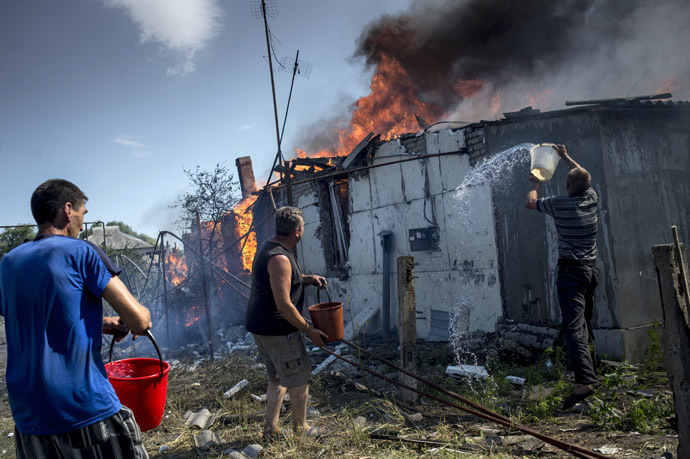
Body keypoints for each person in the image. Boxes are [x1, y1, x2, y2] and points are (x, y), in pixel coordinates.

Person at [0, 179, 152, 458]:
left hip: (28, 413)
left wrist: (102, 323)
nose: (82, 225)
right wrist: (142, 316)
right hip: (81, 404)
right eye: (83, 215)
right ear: (67, 210)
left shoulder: (9, 263)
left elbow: (33, 316)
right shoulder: (80, 251)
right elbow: (138, 320)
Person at [525, 145, 599, 409]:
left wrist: (537, 182)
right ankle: (592, 372)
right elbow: (582, 176)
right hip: (590, 271)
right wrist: (566, 158)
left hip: (570, 273)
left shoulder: (560, 205)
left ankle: (584, 383)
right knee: (585, 324)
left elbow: (530, 203)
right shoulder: (591, 199)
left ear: (568, 187)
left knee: (574, 327)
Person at [245, 206, 329, 440]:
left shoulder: (270, 247)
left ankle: (271, 430)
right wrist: (309, 330)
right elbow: (284, 305)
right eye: (303, 227)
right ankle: (301, 429)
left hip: (261, 326)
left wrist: (306, 279)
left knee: (278, 378)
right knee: (299, 378)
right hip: (278, 329)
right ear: (297, 232)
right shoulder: (280, 257)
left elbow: (280, 279)